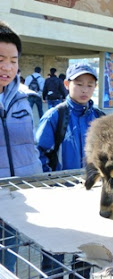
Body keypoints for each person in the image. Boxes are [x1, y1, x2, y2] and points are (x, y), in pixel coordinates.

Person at [35, 63, 105, 278]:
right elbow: (39, 152)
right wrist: (52, 183)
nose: (84, 89)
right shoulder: (55, 116)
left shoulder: (101, 118)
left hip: (89, 197)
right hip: (58, 198)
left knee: (84, 252)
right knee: (55, 250)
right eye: (79, 84)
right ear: (67, 84)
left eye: (90, 85)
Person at [0, 20, 42, 273]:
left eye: (13, 60)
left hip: (18, 197)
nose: (6, 67)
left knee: (9, 261)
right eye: (0, 58)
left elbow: (30, 144)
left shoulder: (26, 98)